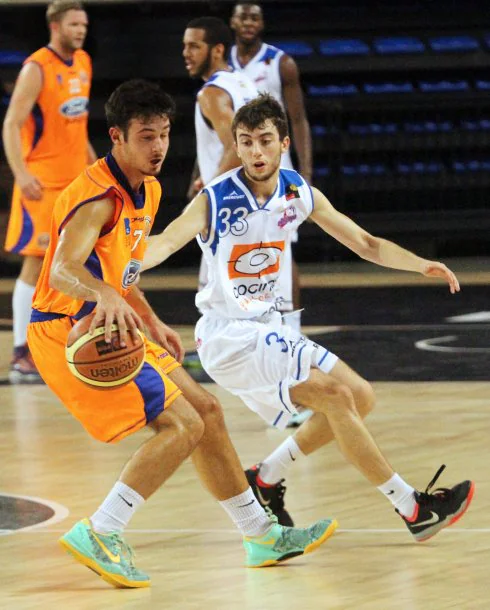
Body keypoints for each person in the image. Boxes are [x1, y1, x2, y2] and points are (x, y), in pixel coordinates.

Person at [26, 81, 336, 589]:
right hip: (72, 332)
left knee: (208, 413)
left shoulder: (147, 189)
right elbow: (63, 270)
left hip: (116, 320)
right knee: (181, 426)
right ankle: (102, 530)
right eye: (146, 136)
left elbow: (122, 274)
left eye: (165, 135)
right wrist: (105, 296)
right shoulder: (97, 197)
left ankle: (259, 532)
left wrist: (148, 318)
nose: (159, 147)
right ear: (117, 138)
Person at [142, 94, 475, 540]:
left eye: (264, 141)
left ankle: (266, 477)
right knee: (336, 397)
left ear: (283, 144)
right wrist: (126, 261)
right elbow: (165, 241)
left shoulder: (298, 192)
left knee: (361, 396)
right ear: (236, 147)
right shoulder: (215, 199)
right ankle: (412, 509)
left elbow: (367, 243)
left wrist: (419, 263)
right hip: (230, 336)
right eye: (246, 142)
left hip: (267, 329)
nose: (256, 152)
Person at [2, 0, 96, 382]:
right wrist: (21, 174)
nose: (81, 30)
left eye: (84, 24)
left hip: (75, 183)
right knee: (36, 264)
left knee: (77, 261)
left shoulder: (84, 62)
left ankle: (61, 342)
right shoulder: (36, 68)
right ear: (55, 26)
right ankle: (21, 351)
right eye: (75, 24)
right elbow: (10, 124)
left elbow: (79, 125)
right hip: (42, 184)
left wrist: (95, 167)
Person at [230, 4, 311, 428]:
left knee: (282, 255)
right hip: (239, 174)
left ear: (261, 24)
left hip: (277, 177)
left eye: (254, 18)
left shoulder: (281, 62)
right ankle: (252, 348)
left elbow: (297, 118)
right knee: (240, 255)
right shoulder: (222, 65)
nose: (248, 24)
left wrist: (306, 172)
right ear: (233, 22)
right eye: (242, 17)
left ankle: (290, 340)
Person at [183, 16, 258, 293]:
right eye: (185, 46)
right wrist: (205, 174)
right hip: (256, 203)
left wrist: (209, 195)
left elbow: (237, 149)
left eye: (194, 46)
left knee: (217, 307)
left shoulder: (211, 93)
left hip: (230, 209)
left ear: (217, 50)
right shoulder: (245, 83)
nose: (186, 53)